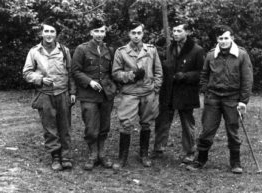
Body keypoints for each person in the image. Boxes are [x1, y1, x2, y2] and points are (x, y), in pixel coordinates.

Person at [186, 25, 253, 174]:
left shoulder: (241, 55)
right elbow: (204, 74)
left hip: (233, 99)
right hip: (213, 98)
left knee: (233, 131)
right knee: (207, 130)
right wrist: (205, 90)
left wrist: (243, 101)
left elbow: (247, 80)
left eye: (226, 38)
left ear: (232, 38)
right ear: (217, 39)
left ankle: (235, 162)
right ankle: (200, 160)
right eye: (220, 38)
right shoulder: (211, 55)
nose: (223, 41)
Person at [23, 17, 76, 171]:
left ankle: (66, 157)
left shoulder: (64, 51)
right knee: (50, 128)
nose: (49, 34)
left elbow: (70, 72)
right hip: (45, 94)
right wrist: (40, 79)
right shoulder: (34, 52)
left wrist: (72, 92)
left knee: (65, 127)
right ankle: (56, 157)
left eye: (52, 31)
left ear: (56, 33)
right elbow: (26, 73)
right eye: (46, 31)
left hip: (63, 93)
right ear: (42, 33)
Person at [111, 21, 163, 169]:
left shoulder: (151, 50)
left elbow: (158, 71)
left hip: (148, 93)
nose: (136, 36)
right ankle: (122, 158)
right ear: (129, 34)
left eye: (139, 33)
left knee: (146, 123)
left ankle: (144, 155)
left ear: (143, 34)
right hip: (130, 93)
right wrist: (131, 75)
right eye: (133, 33)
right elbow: (115, 74)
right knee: (126, 124)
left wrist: (155, 88)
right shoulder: (121, 52)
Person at [152, 21, 205, 163]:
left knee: (187, 123)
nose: (175, 33)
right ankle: (159, 148)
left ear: (187, 32)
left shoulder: (197, 50)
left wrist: (186, 76)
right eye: (174, 31)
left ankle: (190, 151)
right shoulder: (169, 48)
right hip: (168, 90)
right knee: (163, 120)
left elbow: (201, 73)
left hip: (186, 92)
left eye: (179, 31)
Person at [72, 18, 117, 170]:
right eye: (96, 31)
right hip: (88, 95)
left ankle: (102, 154)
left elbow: (113, 72)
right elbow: (75, 71)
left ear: (105, 32)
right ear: (91, 32)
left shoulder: (109, 50)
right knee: (91, 128)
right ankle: (92, 155)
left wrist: (112, 87)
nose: (99, 34)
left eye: (102, 31)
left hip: (106, 95)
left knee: (105, 126)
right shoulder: (82, 49)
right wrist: (89, 81)